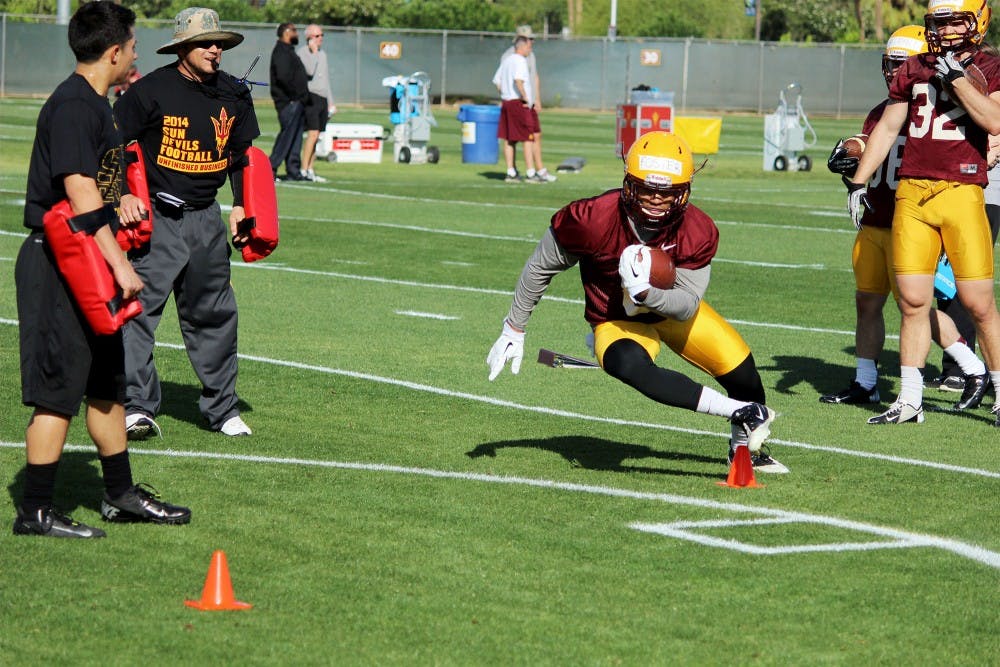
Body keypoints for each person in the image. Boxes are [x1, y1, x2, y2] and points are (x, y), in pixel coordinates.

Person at [486, 132, 787, 473]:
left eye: (667, 192)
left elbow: (687, 305)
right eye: (646, 188)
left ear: (684, 192)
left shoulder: (698, 230)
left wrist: (646, 293)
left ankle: (744, 452)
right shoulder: (591, 219)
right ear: (628, 183)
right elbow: (540, 267)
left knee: (745, 378)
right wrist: (514, 326)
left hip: (671, 311)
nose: (656, 200)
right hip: (617, 318)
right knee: (627, 364)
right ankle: (736, 412)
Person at [13, 1, 190, 538]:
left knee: (106, 384)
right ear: (114, 51)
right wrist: (122, 265)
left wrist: (123, 210)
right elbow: (79, 190)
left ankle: (119, 495)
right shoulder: (73, 105)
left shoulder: (98, 104)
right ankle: (36, 511)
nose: (135, 53)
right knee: (58, 392)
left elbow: (101, 191)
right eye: (133, 45)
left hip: (89, 257)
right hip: (61, 263)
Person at [847, 0, 1000, 425]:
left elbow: (995, 121)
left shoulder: (991, 66)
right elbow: (888, 127)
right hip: (912, 193)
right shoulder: (915, 67)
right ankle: (910, 399)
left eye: (955, 22)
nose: (947, 31)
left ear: (978, 22)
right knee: (913, 302)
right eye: (939, 22)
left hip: (963, 190)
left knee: (979, 303)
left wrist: (959, 82)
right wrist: (860, 181)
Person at [114, 6, 260, 439]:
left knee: (214, 315)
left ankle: (222, 409)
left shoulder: (234, 93)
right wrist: (122, 192)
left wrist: (239, 204)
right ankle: (137, 406)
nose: (215, 49)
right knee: (138, 312)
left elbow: (241, 154)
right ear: (183, 48)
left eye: (219, 43)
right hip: (156, 216)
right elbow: (114, 140)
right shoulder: (150, 90)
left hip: (206, 220)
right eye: (205, 43)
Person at [500, 25, 556, 183]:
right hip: (518, 102)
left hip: (527, 102)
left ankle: (539, 169)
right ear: (520, 40)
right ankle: (528, 172)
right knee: (520, 138)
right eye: (528, 39)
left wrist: (536, 98)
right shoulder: (511, 56)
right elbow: (513, 80)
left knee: (535, 135)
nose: (531, 42)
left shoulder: (530, 55)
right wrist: (520, 97)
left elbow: (534, 76)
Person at [269, 22, 309, 182]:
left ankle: (293, 170)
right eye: (294, 31)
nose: (297, 34)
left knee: (296, 137)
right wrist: (294, 96)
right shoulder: (281, 51)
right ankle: (270, 167)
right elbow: (283, 77)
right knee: (287, 136)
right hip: (288, 102)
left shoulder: (289, 51)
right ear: (286, 33)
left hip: (297, 102)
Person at [493, 35, 536, 183]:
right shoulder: (519, 60)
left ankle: (511, 171)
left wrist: (505, 94)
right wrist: (525, 97)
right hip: (518, 104)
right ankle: (531, 172)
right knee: (528, 138)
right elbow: (518, 80)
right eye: (528, 47)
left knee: (509, 139)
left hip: (507, 102)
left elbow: (497, 81)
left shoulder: (507, 61)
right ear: (521, 47)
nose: (530, 50)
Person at [297, 24, 332, 183]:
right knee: (312, 133)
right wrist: (313, 53)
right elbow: (310, 71)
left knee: (318, 135)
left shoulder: (323, 54)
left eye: (321, 35)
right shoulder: (303, 53)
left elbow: (326, 80)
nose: (320, 39)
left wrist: (331, 102)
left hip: (323, 98)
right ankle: (303, 169)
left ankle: (311, 168)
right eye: (317, 36)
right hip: (311, 97)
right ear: (309, 37)